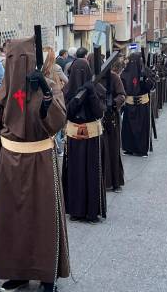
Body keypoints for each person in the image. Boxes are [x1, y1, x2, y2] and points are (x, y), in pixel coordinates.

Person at [0, 36, 69, 292]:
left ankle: (46, 275)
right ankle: (17, 272)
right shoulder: (4, 91)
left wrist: (45, 96)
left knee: (42, 220)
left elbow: (58, 122)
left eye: (21, 60)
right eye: (11, 60)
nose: (15, 65)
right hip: (9, 165)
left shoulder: (50, 85)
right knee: (13, 222)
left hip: (40, 161)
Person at [63, 57, 107, 224]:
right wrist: (76, 99)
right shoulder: (67, 90)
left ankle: (91, 211)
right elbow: (66, 114)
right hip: (74, 138)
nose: (79, 75)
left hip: (92, 139)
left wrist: (91, 94)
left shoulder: (97, 88)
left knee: (91, 173)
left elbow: (99, 112)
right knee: (75, 173)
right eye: (76, 72)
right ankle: (76, 210)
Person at [120, 52, 155, 157]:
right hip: (129, 104)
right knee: (128, 128)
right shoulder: (124, 73)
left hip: (142, 105)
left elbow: (152, 86)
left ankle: (142, 149)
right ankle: (129, 148)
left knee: (141, 128)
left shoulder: (146, 71)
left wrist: (145, 79)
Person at [101, 60, 126, 191]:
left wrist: (112, 103)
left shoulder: (114, 77)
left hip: (112, 119)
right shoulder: (93, 79)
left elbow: (122, 95)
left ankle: (115, 182)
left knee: (113, 149)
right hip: (97, 119)